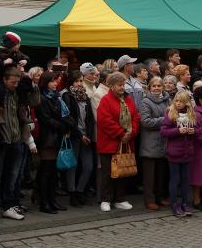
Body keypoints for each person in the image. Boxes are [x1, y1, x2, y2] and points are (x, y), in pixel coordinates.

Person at [0, 66, 39, 222]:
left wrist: (33, 85)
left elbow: (35, 102)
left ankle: (8, 207)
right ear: (5, 80)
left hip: (17, 139)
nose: (15, 85)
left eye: (17, 82)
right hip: (1, 139)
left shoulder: (18, 93)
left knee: (12, 177)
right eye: (12, 82)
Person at [95, 72, 139, 212]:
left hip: (126, 142)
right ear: (111, 86)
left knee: (122, 172)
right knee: (108, 173)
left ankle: (120, 199)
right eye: (119, 85)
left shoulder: (128, 99)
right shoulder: (105, 100)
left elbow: (135, 117)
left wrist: (131, 133)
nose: (122, 87)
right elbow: (105, 121)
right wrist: (121, 134)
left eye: (123, 84)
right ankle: (106, 199)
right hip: (110, 143)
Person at [34, 71, 70, 214]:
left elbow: (64, 116)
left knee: (53, 173)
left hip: (56, 138)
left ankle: (52, 200)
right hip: (47, 139)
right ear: (45, 82)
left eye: (56, 81)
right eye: (52, 81)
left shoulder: (56, 97)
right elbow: (46, 119)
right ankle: (44, 202)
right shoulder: (41, 98)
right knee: (46, 171)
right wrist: (63, 126)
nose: (55, 84)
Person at [62, 71, 96, 207]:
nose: (79, 84)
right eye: (76, 81)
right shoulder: (67, 96)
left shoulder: (85, 96)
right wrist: (79, 135)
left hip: (86, 136)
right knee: (73, 166)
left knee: (88, 166)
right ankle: (72, 193)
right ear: (71, 82)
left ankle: (80, 190)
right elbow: (68, 118)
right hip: (75, 136)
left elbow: (90, 118)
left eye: (81, 81)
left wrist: (89, 135)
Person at [160, 91, 195, 217]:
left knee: (186, 180)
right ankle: (174, 204)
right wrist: (177, 130)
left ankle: (186, 203)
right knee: (174, 180)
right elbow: (164, 131)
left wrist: (193, 131)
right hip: (174, 152)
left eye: (181, 101)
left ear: (187, 103)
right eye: (177, 101)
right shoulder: (170, 113)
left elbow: (198, 128)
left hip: (187, 152)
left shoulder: (191, 114)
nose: (178, 103)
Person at [138, 76, 170, 210]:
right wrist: (165, 120)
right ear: (149, 88)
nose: (156, 88)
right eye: (154, 86)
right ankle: (149, 199)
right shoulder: (145, 102)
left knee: (161, 174)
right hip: (150, 143)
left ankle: (160, 197)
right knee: (149, 176)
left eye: (159, 86)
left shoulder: (168, 100)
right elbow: (146, 122)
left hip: (164, 142)